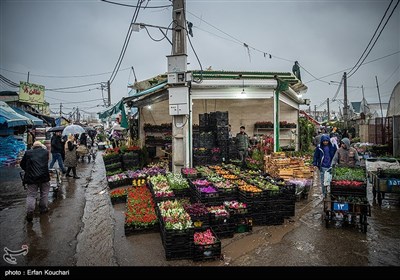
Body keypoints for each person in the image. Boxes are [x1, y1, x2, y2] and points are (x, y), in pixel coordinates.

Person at [20, 141, 51, 222]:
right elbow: (46, 162)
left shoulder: (28, 153)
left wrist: (28, 170)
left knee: (31, 195)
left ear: (33, 147)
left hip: (31, 178)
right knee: (44, 193)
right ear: (41, 146)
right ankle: (43, 209)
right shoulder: (46, 152)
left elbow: (22, 164)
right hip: (44, 177)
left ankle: (30, 212)